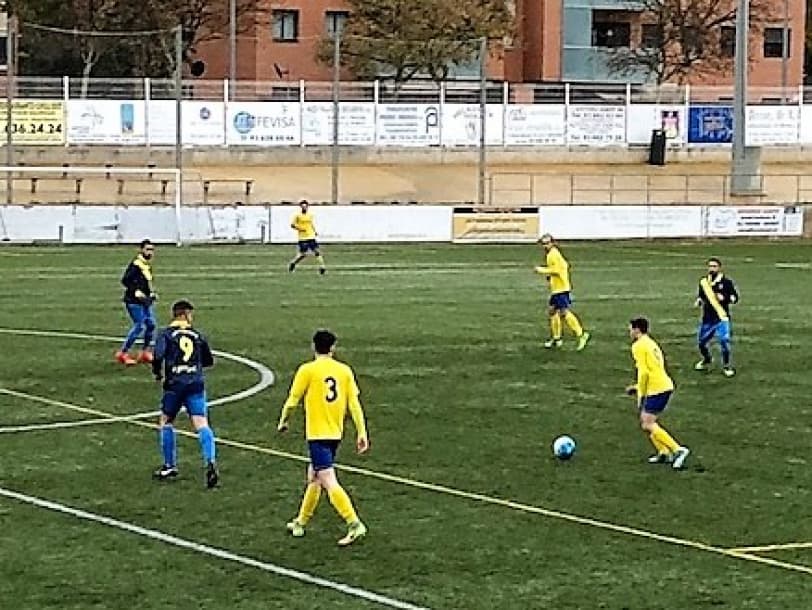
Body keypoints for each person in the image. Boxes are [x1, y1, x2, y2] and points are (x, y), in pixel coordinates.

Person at [278, 330, 369, 546]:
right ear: (333, 348)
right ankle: (300, 522)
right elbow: (354, 404)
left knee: (327, 479)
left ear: (313, 347)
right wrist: (361, 431)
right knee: (314, 477)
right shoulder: (344, 371)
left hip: (318, 434)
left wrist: (284, 421)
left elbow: (292, 400)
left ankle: (354, 523)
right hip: (336, 433)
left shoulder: (307, 370)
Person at [152, 300, 219, 489]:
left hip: (174, 384)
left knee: (166, 421)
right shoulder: (197, 335)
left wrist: (158, 373)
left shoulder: (165, 334)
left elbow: (157, 355)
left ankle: (169, 465)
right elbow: (208, 360)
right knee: (201, 423)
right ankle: (210, 460)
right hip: (195, 383)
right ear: (186, 314)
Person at [626, 318, 690, 469]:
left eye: (630, 329)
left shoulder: (638, 346)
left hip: (657, 389)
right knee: (647, 422)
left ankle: (677, 450)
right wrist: (637, 387)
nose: (629, 332)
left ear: (637, 330)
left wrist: (641, 393)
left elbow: (644, 372)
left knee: (648, 423)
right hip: (663, 385)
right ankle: (663, 452)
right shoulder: (650, 343)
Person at [534, 233, 590, 350]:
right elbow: (564, 266)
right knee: (552, 311)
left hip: (561, 289)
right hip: (557, 288)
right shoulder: (552, 254)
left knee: (564, 312)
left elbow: (557, 269)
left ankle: (581, 334)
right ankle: (557, 338)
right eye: (543, 244)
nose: (545, 246)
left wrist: (542, 270)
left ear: (552, 243)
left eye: (547, 243)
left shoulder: (554, 254)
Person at [695, 257, 739, 377]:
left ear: (719, 268)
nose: (711, 269)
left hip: (721, 317)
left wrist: (725, 298)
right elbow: (701, 295)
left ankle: (726, 365)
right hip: (707, 318)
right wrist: (699, 300)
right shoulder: (704, 282)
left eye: (714, 266)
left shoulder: (726, 282)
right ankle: (707, 359)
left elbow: (734, 298)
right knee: (701, 343)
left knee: (724, 341)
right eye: (710, 266)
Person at [116, 239, 158, 366]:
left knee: (151, 324)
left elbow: (144, 282)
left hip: (145, 301)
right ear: (141, 250)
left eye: (152, 250)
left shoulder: (145, 265)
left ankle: (145, 351)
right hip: (134, 302)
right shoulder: (136, 265)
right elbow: (125, 280)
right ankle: (123, 353)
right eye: (147, 249)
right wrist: (136, 291)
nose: (150, 252)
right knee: (139, 326)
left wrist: (150, 293)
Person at [288, 200, 326, 275]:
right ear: (301, 207)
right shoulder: (297, 216)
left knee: (317, 251)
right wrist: (299, 228)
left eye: (305, 206)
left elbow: (311, 224)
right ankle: (293, 263)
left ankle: (322, 267)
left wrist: (314, 231)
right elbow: (292, 225)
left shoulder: (310, 215)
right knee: (303, 255)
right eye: (303, 206)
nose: (304, 208)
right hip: (302, 238)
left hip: (311, 236)